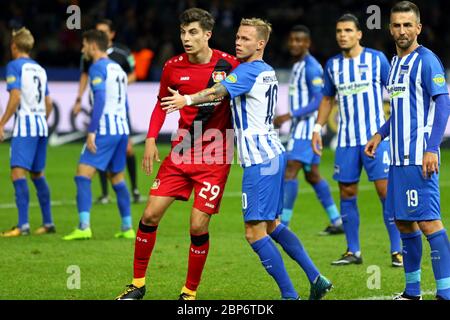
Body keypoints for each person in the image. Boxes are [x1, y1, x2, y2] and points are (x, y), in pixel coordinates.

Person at [161, 18, 333, 300]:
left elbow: (217, 92)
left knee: (254, 233)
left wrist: (187, 100)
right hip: (275, 154)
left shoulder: (248, 72)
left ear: (260, 44)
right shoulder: (266, 70)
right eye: (238, 38)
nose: (238, 42)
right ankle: (316, 278)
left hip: (260, 161)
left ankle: (290, 296)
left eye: (245, 39)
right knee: (273, 225)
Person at [115, 8, 239, 300]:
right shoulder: (172, 66)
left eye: (193, 32)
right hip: (181, 153)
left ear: (207, 34)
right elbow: (161, 104)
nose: (186, 38)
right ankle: (137, 284)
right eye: (183, 32)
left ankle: (189, 292)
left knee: (197, 225)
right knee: (149, 215)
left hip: (215, 156)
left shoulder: (229, 64)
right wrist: (150, 138)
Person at [365, 1, 450, 300]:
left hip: (419, 157)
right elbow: (400, 111)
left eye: (407, 25)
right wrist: (379, 134)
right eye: (396, 25)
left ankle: (446, 293)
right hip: (396, 158)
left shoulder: (427, 61)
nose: (402, 31)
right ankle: (412, 292)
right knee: (403, 222)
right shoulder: (395, 64)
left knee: (428, 222)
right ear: (390, 28)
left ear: (418, 28)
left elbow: (443, 104)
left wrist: (431, 148)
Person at [311, 14, 403, 267]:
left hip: (376, 138)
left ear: (359, 34)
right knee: (347, 192)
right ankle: (353, 251)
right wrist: (317, 128)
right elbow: (328, 98)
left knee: (386, 193)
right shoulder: (332, 65)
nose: (343, 34)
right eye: (339, 30)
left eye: (348, 30)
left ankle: (398, 250)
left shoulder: (377, 59)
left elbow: (394, 90)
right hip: (346, 140)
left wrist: (396, 122)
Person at [62, 30, 134, 241]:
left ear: (93, 46)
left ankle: (84, 226)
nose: (83, 49)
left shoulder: (97, 67)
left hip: (105, 129)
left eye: (84, 45)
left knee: (82, 175)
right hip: (121, 130)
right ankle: (127, 226)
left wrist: (91, 131)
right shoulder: (118, 69)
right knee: (117, 178)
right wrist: (127, 131)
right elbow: (125, 102)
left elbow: (100, 98)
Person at [274, 25, 343, 235]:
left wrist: (289, 115)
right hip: (302, 128)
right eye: (292, 40)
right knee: (312, 175)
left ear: (307, 43)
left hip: (305, 130)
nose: (294, 44)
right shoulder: (298, 66)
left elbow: (320, 100)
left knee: (289, 171)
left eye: (299, 40)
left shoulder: (311, 67)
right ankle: (337, 220)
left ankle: (283, 224)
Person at [73, 19, 142, 205]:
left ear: (112, 34)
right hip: (111, 112)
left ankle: (135, 188)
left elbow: (134, 75)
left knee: (124, 150)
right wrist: (79, 99)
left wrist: (112, 88)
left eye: (104, 31)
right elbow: (84, 76)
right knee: (111, 164)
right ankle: (107, 196)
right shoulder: (91, 58)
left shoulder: (121, 53)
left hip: (113, 111)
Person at [0, 27, 55, 237]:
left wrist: (2, 122)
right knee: (38, 173)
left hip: (25, 126)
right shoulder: (39, 69)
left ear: (14, 46)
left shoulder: (14, 66)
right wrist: (40, 120)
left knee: (17, 173)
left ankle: (22, 225)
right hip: (41, 125)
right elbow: (49, 103)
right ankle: (48, 222)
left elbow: (15, 97)